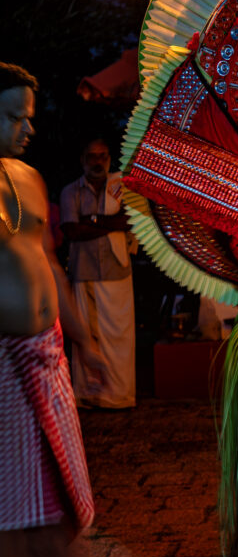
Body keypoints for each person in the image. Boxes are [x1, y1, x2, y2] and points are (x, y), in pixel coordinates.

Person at [0, 63, 106, 557]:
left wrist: (85, 338)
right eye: (12, 117)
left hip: (46, 351)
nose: (25, 129)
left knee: (55, 502)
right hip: (3, 364)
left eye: (29, 118)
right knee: (10, 512)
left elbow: (51, 265)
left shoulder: (32, 180)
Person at [60, 139, 136, 409]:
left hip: (117, 270)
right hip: (84, 272)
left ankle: (120, 394)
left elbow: (128, 221)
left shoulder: (120, 188)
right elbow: (71, 231)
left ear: (109, 159)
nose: (97, 162)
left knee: (119, 336)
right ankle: (90, 394)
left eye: (102, 156)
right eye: (91, 156)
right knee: (87, 334)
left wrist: (91, 220)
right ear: (83, 160)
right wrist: (109, 224)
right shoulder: (71, 192)